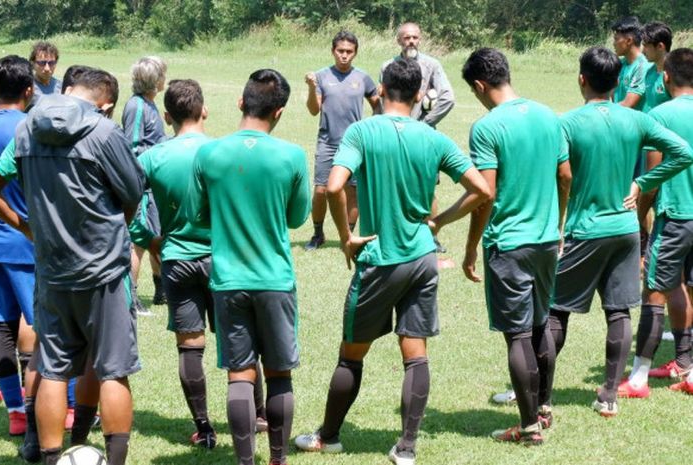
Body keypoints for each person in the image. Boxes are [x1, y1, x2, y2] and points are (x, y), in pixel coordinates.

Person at [295, 58, 490, 465]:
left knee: (351, 354)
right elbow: (482, 190)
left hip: (380, 260)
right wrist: (439, 220)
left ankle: (328, 437)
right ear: (420, 95)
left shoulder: (362, 132)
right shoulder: (432, 137)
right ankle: (406, 446)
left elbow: (333, 187)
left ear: (380, 89)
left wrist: (347, 238)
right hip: (422, 257)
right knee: (414, 353)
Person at [0, 69, 145, 465]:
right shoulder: (104, 132)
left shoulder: (26, 128)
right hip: (105, 272)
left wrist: (24, 225)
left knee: (53, 368)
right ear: (106, 104)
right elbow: (132, 192)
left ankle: (49, 457)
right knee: (113, 367)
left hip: (51, 268)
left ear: (66, 90)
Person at [549, 47, 693, 417]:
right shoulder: (636, 120)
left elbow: (564, 175)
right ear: (618, 82)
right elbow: (683, 153)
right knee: (618, 312)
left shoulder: (567, 122)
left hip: (585, 229)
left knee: (556, 312)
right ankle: (610, 395)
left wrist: (560, 220)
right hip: (626, 229)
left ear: (582, 79)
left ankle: (539, 393)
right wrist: (643, 182)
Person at [187, 69, 310, 465]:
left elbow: (196, 214)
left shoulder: (208, 154)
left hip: (227, 280)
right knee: (278, 374)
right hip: (275, 279)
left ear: (240, 102)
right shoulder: (291, 156)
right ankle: (277, 459)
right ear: (280, 112)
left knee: (239, 375)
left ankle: (245, 462)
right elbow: (296, 219)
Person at [461, 48, 571, 445]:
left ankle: (527, 428)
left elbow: (484, 195)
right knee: (542, 324)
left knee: (518, 335)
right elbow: (565, 176)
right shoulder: (548, 115)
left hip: (508, 243)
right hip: (545, 241)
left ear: (479, 85)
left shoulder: (487, 127)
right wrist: (555, 223)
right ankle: (543, 408)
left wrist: (471, 246)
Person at [128, 78, 218, 447]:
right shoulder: (221, 152)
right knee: (239, 341)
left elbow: (126, 208)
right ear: (204, 110)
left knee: (190, 346)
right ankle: (257, 414)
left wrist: (150, 241)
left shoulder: (151, 157)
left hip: (177, 259)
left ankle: (204, 426)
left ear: (166, 116)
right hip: (222, 259)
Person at [620, 48, 693, 397]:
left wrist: (639, 221)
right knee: (684, 287)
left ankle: (638, 379)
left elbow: (650, 178)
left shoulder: (659, 115)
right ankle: (686, 365)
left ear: (666, 77)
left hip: (675, 216)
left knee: (654, 291)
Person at [380, 22, 456, 254]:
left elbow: (447, 97)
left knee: (428, 187)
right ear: (398, 40)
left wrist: (424, 123)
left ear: (420, 39)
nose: (410, 41)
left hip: (423, 137)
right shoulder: (388, 66)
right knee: (394, 185)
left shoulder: (431, 65)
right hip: (393, 135)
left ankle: (432, 236)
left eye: (414, 37)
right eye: (406, 37)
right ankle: (393, 234)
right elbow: (384, 99)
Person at [304, 30, 380, 251]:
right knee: (321, 190)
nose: (344, 55)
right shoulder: (321, 76)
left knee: (352, 190)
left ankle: (347, 235)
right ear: (333, 51)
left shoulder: (363, 78)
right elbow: (312, 110)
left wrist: (371, 129)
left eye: (349, 51)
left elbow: (378, 106)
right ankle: (318, 234)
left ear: (355, 53)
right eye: (340, 51)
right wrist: (311, 87)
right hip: (327, 141)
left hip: (355, 144)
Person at [0, 55, 35, 439]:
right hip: (25, 240)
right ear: (29, 90)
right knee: (35, 324)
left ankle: (16, 411)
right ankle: (52, 405)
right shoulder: (30, 128)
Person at [122, 56, 168, 313]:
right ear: (155, 80)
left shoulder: (150, 104)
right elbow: (133, 146)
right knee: (137, 241)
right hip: (141, 185)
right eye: (162, 74)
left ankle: (161, 289)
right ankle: (132, 297)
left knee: (156, 234)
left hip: (154, 183)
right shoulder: (137, 107)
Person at [612, 17, 652, 110]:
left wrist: (603, 111)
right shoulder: (619, 64)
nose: (614, 43)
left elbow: (628, 103)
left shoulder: (643, 66)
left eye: (616, 39)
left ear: (629, 41)